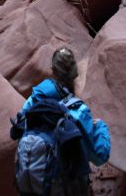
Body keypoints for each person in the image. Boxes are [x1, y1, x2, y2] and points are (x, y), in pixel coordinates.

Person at [11, 46, 110, 196]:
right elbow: (99, 156)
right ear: (75, 73)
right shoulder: (79, 111)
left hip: (32, 185)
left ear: (53, 70)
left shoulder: (33, 102)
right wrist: (101, 128)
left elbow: (16, 130)